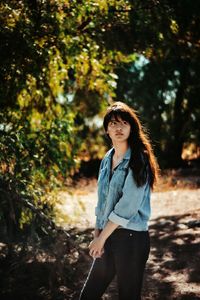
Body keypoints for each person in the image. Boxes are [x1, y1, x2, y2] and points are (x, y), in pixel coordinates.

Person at [79, 101, 159, 300]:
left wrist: (101, 238)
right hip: (108, 235)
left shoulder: (139, 159)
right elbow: (103, 199)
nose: (119, 127)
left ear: (132, 128)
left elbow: (127, 206)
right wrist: (98, 232)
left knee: (128, 296)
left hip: (132, 239)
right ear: (107, 129)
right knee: (88, 295)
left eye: (124, 122)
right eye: (113, 123)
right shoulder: (107, 158)